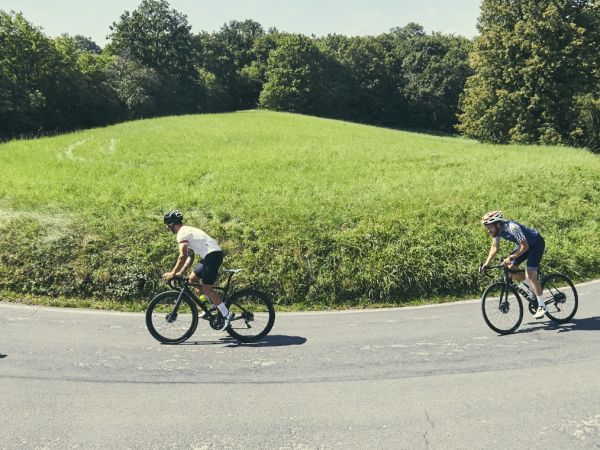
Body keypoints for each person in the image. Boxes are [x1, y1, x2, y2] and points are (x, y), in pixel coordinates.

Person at [162, 210, 233, 330]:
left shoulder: (182, 233)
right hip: (208, 256)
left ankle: (227, 314)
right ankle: (211, 306)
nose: (169, 229)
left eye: (169, 226)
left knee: (207, 288)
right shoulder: (186, 231)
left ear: (171, 224)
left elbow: (182, 256)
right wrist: (181, 272)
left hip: (213, 255)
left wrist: (173, 273)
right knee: (192, 279)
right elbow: (190, 256)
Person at [479, 211, 548, 319]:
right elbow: (494, 247)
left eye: (489, 227)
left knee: (530, 274)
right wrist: (487, 264)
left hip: (536, 244)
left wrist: (511, 257)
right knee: (510, 268)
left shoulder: (512, 227)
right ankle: (531, 287)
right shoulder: (497, 232)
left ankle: (542, 306)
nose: (488, 231)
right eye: (487, 228)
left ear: (497, 224)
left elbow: (524, 247)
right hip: (523, 245)